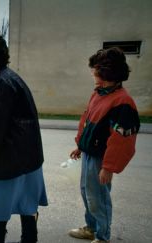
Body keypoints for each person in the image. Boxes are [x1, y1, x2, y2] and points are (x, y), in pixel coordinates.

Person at [0, 33, 48, 243]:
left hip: (12, 158)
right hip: (30, 156)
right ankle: (29, 239)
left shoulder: (1, 82)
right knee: (27, 202)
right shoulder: (13, 77)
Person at [68, 47, 140, 243]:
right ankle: (91, 228)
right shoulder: (99, 93)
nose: (92, 73)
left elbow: (122, 140)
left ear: (106, 72)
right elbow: (87, 120)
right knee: (87, 193)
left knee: (98, 197)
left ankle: (102, 236)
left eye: (95, 69)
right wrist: (80, 146)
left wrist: (108, 167)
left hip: (102, 159)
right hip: (89, 154)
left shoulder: (122, 102)